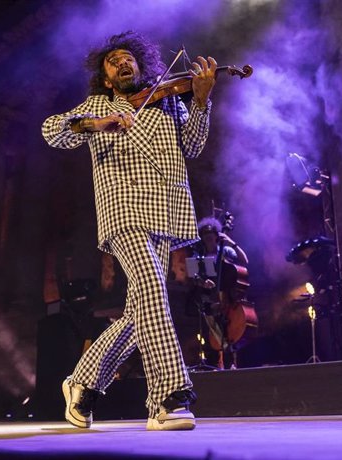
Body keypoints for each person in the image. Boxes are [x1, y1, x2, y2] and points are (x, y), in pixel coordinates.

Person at [41, 31, 217, 431]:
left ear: (140, 65)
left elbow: (193, 147)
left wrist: (202, 100)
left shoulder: (170, 100)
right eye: (112, 61)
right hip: (123, 212)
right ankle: (168, 398)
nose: (122, 63)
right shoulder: (100, 105)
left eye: (128, 58)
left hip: (166, 213)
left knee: (142, 312)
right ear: (106, 78)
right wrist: (97, 124)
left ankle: (82, 383)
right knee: (155, 293)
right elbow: (52, 130)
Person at [187, 217, 249, 369]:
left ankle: (232, 358)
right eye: (205, 234)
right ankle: (220, 361)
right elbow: (194, 278)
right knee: (213, 329)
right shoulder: (199, 256)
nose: (208, 237)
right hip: (210, 299)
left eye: (211, 233)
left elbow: (244, 261)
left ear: (217, 235)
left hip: (228, 298)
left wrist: (231, 242)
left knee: (230, 329)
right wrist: (203, 282)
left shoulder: (225, 251)